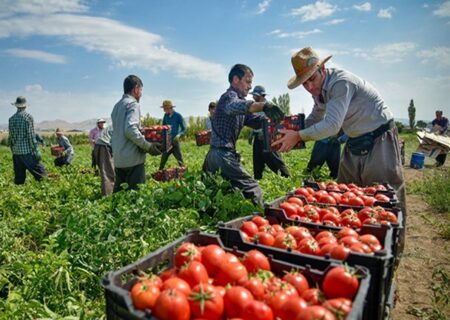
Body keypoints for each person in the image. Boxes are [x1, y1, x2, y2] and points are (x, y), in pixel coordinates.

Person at [273, 47, 406, 250]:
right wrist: (291, 133)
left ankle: (393, 248)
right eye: (304, 83)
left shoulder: (340, 84)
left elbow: (333, 125)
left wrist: (299, 136)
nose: (309, 86)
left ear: (323, 69)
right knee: (346, 195)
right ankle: (354, 246)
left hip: (379, 137)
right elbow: (315, 117)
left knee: (385, 196)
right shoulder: (319, 92)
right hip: (355, 139)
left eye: (312, 79)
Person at [203, 64, 285, 206]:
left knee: (216, 192)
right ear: (235, 79)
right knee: (253, 189)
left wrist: (274, 120)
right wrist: (263, 106)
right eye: (247, 81)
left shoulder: (238, 104)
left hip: (214, 155)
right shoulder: (229, 97)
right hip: (223, 156)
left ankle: (220, 221)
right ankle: (259, 218)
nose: (249, 86)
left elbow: (254, 120)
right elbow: (235, 106)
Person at [111, 75, 161, 192]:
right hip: (133, 161)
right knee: (136, 201)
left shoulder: (117, 106)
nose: (141, 94)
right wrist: (148, 146)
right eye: (141, 90)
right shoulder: (133, 104)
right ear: (136, 88)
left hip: (119, 159)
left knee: (120, 200)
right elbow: (130, 130)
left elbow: (121, 130)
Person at [248, 85, 290, 180]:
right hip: (257, 138)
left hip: (268, 138)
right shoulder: (256, 106)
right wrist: (252, 133)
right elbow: (255, 122)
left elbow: (278, 121)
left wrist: (266, 131)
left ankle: (286, 177)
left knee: (274, 159)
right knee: (257, 159)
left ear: (261, 95)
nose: (253, 97)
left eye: (255, 95)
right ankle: (258, 179)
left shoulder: (269, 107)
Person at [8, 96, 47, 184]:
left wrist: (13, 150)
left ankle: (18, 195)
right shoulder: (28, 117)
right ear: (25, 106)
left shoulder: (11, 119)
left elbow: (10, 137)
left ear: (16, 106)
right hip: (27, 152)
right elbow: (30, 135)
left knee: (19, 177)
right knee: (41, 174)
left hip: (16, 152)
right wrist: (35, 149)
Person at [159, 100, 186, 170]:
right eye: (164, 109)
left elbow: (184, 129)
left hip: (175, 142)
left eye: (165, 109)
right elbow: (163, 128)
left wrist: (179, 135)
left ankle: (185, 175)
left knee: (180, 161)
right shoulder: (165, 116)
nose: (164, 111)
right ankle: (158, 175)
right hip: (167, 142)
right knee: (163, 161)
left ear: (169, 108)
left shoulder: (178, 116)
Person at [94, 125, 114, 195]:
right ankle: (107, 197)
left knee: (107, 171)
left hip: (100, 146)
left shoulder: (117, 122)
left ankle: (108, 193)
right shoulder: (125, 125)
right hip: (104, 146)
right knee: (107, 173)